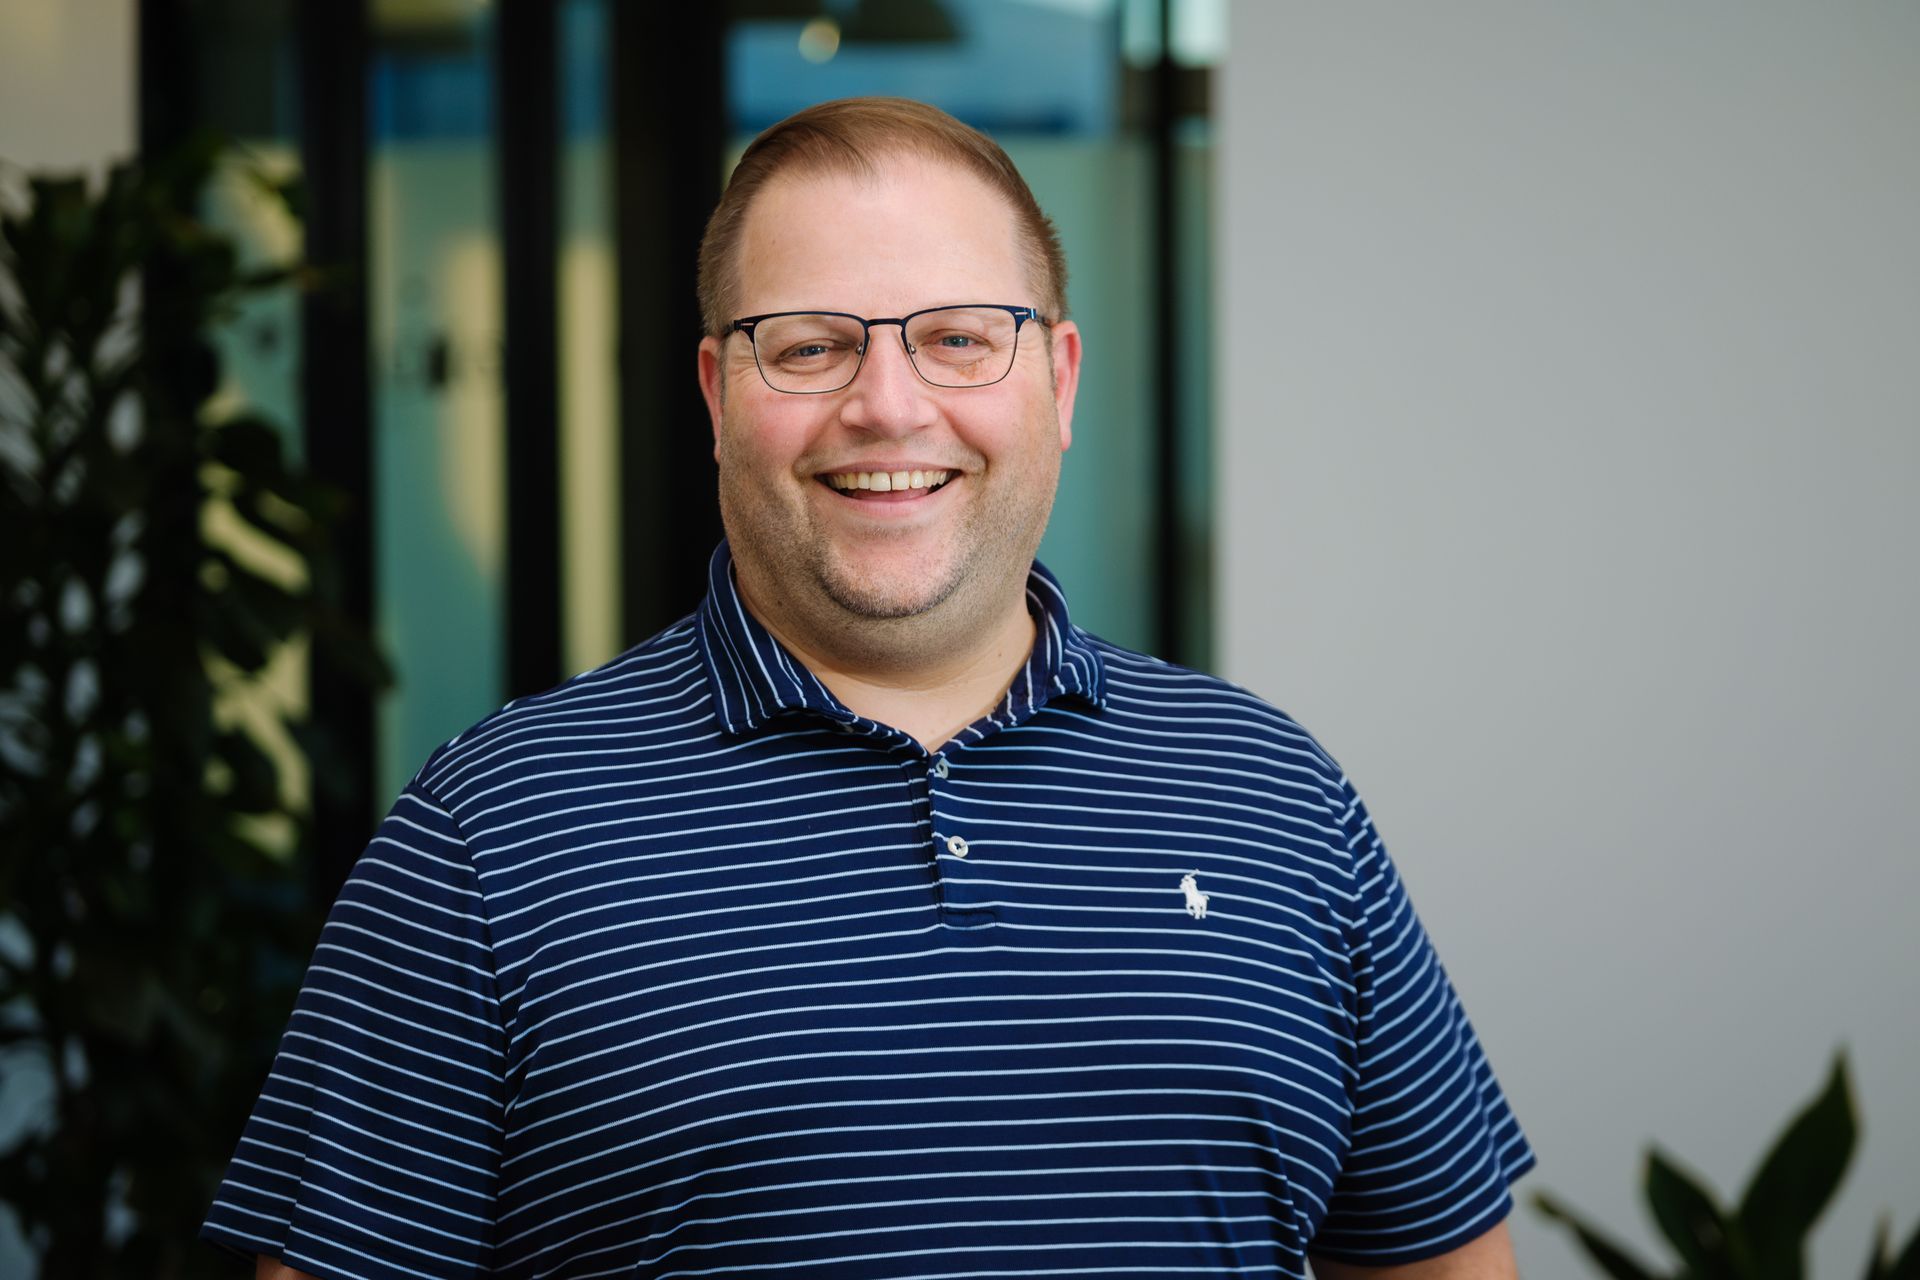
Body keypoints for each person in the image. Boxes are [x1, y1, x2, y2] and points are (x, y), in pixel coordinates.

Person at [207, 97, 1534, 1280]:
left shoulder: (1271, 790)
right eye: (809, 346)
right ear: (719, 392)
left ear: (1059, 382)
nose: (890, 407)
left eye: (960, 338)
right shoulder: (493, 833)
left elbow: (1442, 1264)